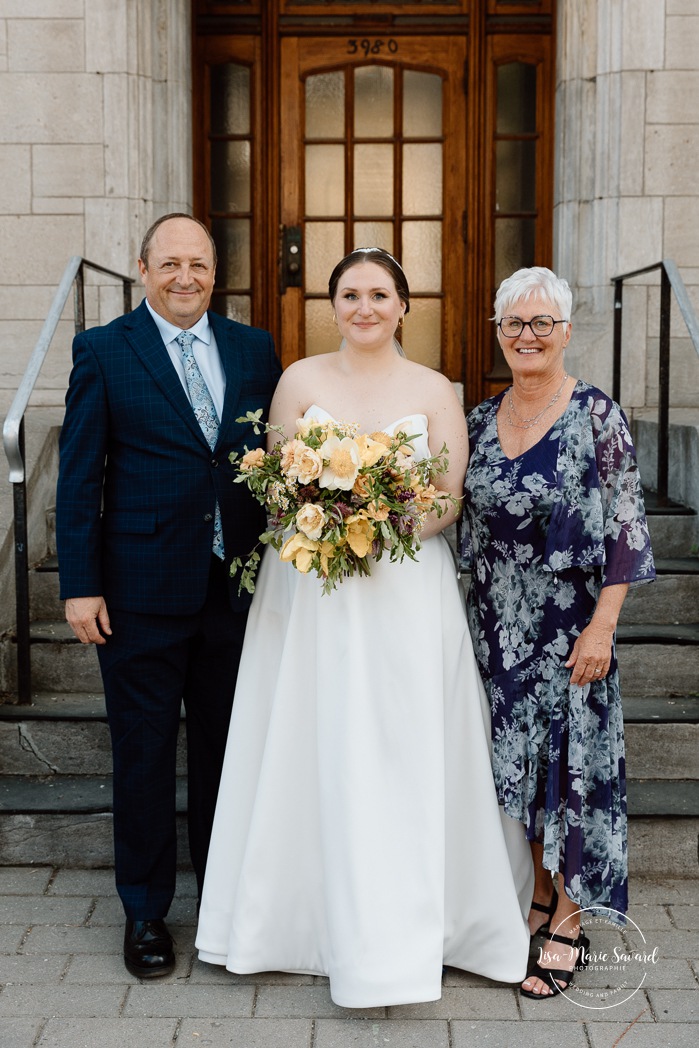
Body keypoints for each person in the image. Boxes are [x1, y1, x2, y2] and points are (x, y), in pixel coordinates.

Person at [195, 247, 534, 1008]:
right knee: (306, 735)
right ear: (332, 304)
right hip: (310, 585)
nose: (364, 307)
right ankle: (292, 922)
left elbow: (447, 497)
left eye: (379, 293)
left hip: (404, 588)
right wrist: (328, 511)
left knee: (405, 738)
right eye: (349, 294)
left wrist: (387, 517)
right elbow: (278, 486)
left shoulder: (433, 387)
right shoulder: (299, 381)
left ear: (403, 305)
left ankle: (433, 923)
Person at [55, 213, 281, 978]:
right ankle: (146, 912)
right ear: (143, 267)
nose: (186, 277)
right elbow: (80, 476)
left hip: (237, 589)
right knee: (145, 754)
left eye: (200, 264)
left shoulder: (254, 349)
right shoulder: (104, 350)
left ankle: (219, 904)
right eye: (171, 263)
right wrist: (79, 587)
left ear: (216, 273)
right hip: (139, 590)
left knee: (226, 753)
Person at [460, 266, 655, 999]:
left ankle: (568, 920)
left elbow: (626, 530)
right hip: (497, 631)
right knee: (518, 771)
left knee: (571, 772)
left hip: (573, 630)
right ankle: (537, 897)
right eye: (514, 323)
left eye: (543, 322)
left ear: (567, 332)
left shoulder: (596, 415)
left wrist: (602, 628)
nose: (528, 335)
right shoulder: (478, 420)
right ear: (498, 332)